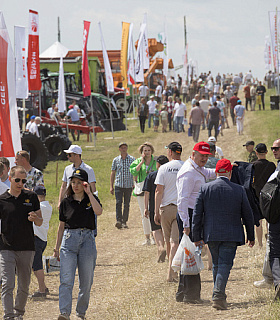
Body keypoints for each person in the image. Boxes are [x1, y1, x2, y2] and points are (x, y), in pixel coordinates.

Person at [192, 159, 255, 310]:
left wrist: (196, 236)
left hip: (211, 234)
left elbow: (197, 214)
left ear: (216, 172)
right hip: (231, 234)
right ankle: (218, 295)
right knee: (225, 265)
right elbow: (248, 215)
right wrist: (251, 236)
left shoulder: (205, 188)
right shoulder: (239, 189)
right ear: (229, 172)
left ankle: (218, 294)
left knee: (216, 265)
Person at [54, 168, 102, 320]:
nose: (75, 185)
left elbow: (99, 211)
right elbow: (61, 227)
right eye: (73, 182)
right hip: (69, 242)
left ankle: (80, 312)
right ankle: (64, 313)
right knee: (66, 280)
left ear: (85, 184)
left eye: (79, 182)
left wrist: (89, 193)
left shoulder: (91, 199)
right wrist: (56, 248)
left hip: (87, 241)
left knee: (86, 281)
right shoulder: (66, 202)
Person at [0, 166, 42, 319]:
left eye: (23, 181)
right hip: (6, 247)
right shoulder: (2, 199)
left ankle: (19, 313)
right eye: (17, 180)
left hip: (26, 247)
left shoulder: (31, 197)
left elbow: (40, 221)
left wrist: (35, 218)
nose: (20, 183)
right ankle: (8, 315)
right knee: (7, 283)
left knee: (24, 285)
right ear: (10, 178)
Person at [176, 142, 216, 303]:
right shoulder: (188, 172)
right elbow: (182, 200)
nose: (205, 159)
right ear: (193, 154)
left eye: (207, 156)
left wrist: (223, 169)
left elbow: (208, 172)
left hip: (193, 215)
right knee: (191, 255)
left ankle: (182, 292)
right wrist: (186, 223)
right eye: (202, 156)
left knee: (190, 254)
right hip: (189, 216)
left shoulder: (196, 167)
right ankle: (190, 295)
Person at [155, 142, 183, 282]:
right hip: (180, 209)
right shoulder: (186, 167)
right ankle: (172, 273)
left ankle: (171, 273)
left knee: (169, 242)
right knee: (174, 243)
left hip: (166, 208)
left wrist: (156, 211)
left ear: (170, 152)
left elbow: (158, 191)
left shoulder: (164, 168)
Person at [254, 139, 280, 290]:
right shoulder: (272, 165)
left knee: (273, 248)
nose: (274, 150)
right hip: (270, 209)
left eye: (277, 148)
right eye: (273, 148)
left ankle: (272, 280)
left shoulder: (256, 165)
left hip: (272, 210)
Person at [143, 155, 169, 263]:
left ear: (157, 164)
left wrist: (146, 208)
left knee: (156, 229)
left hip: (154, 206)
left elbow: (146, 192)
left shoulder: (151, 175)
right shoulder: (170, 175)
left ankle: (160, 248)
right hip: (167, 205)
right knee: (166, 229)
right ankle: (169, 250)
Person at [130, 142, 157, 245]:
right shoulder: (137, 161)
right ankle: (147, 237)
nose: (147, 152)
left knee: (153, 212)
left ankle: (155, 235)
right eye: (145, 151)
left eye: (148, 150)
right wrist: (141, 162)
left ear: (152, 151)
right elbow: (133, 172)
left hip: (154, 190)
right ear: (142, 152)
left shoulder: (155, 161)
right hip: (142, 191)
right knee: (144, 214)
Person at [252, 143, 276, 248]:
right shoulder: (271, 165)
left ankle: (260, 244)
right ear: (266, 152)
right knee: (268, 220)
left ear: (256, 153)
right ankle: (268, 240)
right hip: (269, 195)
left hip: (256, 195)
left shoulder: (253, 165)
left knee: (258, 221)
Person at [31, 186, 52, 298]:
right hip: (42, 238)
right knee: (35, 266)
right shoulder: (48, 206)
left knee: (37, 265)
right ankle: (43, 287)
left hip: (36, 238)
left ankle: (42, 291)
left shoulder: (40, 207)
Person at [110, 142, 135, 229]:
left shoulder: (132, 159)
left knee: (126, 204)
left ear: (127, 148)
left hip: (128, 185)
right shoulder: (116, 160)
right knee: (118, 202)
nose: (123, 149)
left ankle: (124, 221)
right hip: (118, 184)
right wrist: (111, 186)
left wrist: (134, 183)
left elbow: (134, 172)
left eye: (125, 147)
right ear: (119, 149)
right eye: (122, 148)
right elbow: (113, 172)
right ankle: (118, 220)